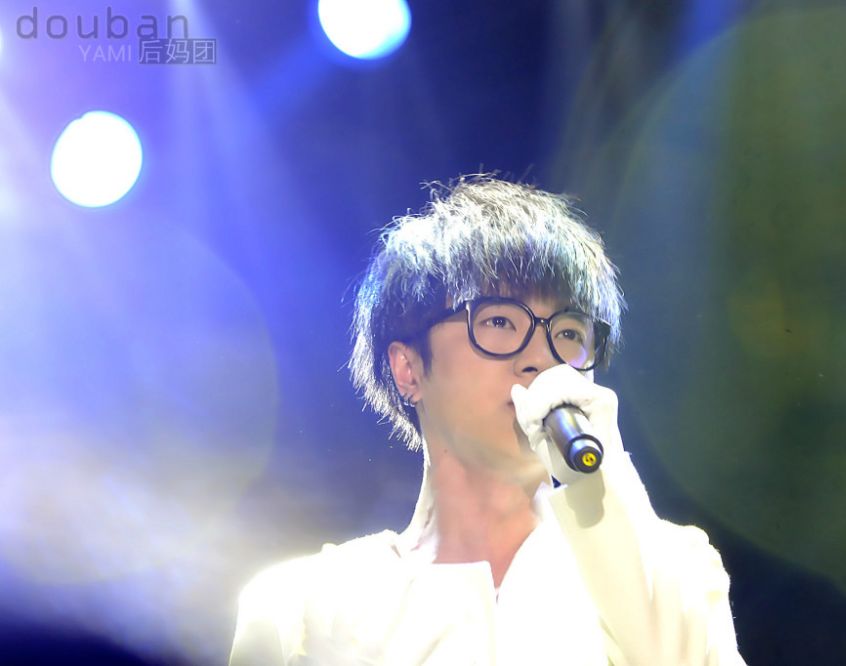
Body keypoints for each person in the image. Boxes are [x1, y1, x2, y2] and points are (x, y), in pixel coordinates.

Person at [229, 176, 745, 665]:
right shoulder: (302, 608)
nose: (542, 358)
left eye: (569, 332)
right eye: (499, 321)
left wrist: (600, 482)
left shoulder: (673, 568)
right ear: (408, 368)